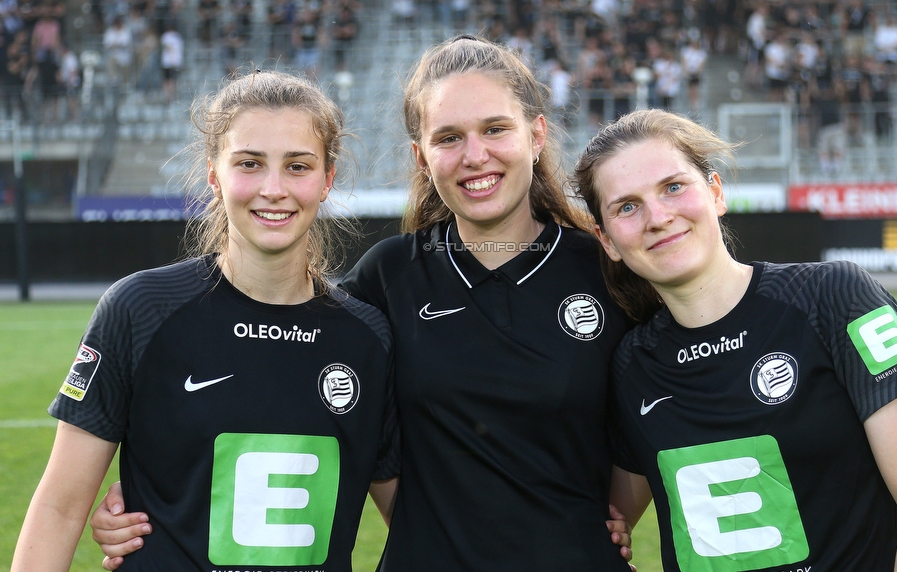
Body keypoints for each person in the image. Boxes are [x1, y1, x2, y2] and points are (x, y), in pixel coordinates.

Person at [89, 36, 637, 571]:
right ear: (421, 157)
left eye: (495, 129)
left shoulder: (607, 271)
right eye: (448, 138)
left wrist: (617, 514)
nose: (475, 156)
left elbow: (674, 401)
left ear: (536, 135)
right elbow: (269, 353)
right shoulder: (389, 274)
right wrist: (157, 483)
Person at [12, 70, 399, 571]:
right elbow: (60, 508)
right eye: (250, 164)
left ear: (327, 179)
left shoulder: (369, 338)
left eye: (297, 166)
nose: (274, 188)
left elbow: (417, 519)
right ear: (214, 175)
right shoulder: (141, 310)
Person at [573, 108, 897, 572]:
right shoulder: (631, 364)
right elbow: (600, 523)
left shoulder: (834, 298)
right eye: (627, 207)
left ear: (715, 192)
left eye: (673, 187)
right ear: (608, 240)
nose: (657, 217)